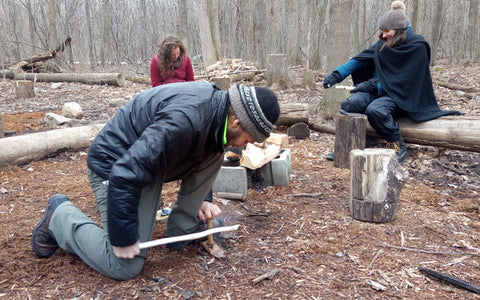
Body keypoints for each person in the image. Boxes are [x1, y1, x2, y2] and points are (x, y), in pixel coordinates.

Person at [31, 82, 280, 280]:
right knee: (123, 266)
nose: (245, 146)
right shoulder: (184, 120)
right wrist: (124, 238)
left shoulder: (218, 113)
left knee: (219, 149)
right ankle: (60, 215)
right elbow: (125, 173)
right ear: (237, 121)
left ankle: (184, 226)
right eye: (248, 139)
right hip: (115, 165)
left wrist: (203, 201)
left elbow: (207, 146)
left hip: (147, 164)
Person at [323, 9, 461, 163]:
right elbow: (360, 60)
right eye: (382, 32)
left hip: (401, 95)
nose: (383, 35)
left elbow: (408, 81)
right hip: (378, 88)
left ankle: (397, 146)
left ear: (399, 29)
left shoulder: (417, 47)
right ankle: (348, 146)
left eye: (386, 31)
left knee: (376, 110)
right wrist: (337, 75)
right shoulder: (384, 44)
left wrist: (375, 87)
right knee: (350, 104)